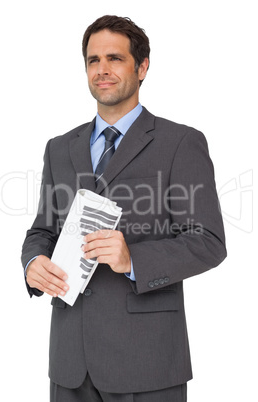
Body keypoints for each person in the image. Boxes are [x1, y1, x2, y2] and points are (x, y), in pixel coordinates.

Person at [21, 15, 227, 402]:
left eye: (114, 58)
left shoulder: (180, 142)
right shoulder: (59, 148)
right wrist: (33, 263)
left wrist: (133, 258)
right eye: (93, 60)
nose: (102, 70)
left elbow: (209, 241)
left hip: (146, 360)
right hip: (70, 360)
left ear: (142, 66)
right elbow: (42, 231)